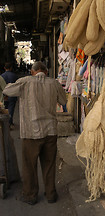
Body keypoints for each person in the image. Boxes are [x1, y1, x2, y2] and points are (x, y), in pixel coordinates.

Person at [3, 61, 67, 205]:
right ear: (45, 72)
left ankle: (30, 195)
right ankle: (51, 194)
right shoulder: (54, 83)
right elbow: (63, 100)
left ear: (32, 71)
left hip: (31, 132)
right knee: (49, 164)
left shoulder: (25, 82)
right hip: (51, 131)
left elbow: (7, 91)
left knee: (29, 166)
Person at [1, 62, 17, 128]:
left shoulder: (2, 76)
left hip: (4, 95)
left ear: (4, 68)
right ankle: (9, 122)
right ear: (11, 68)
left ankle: (4, 123)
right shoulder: (14, 75)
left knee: (4, 109)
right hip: (12, 95)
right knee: (11, 109)